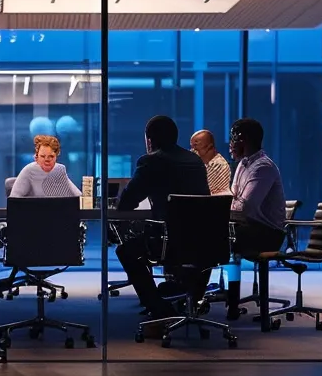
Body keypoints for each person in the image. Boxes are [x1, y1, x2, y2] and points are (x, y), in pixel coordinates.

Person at [115, 116, 210, 318]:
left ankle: (158, 309)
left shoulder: (150, 161)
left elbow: (126, 203)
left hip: (167, 241)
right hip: (201, 239)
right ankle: (180, 297)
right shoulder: (196, 161)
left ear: (149, 140)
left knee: (125, 251)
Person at [227, 118, 287, 261]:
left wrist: (219, 206)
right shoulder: (243, 164)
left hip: (267, 234)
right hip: (249, 228)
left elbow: (245, 208)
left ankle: (196, 281)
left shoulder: (262, 167)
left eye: (233, 139)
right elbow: (233, 197)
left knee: (209, 233)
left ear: (244, 139)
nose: (230, 144)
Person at [9, 134, 80, 198]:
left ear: (56, 157)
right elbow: (14, 200)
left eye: (51, 156)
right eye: (43, 156)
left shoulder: (59, 169)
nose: (47, 160)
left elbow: (78, 196)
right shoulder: (29, 170)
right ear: (36, 157)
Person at [191, 129, 234, 196]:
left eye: (196, 145)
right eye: (192, 146)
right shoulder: (203, 164)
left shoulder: (218, 165)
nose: (192, 150)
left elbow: (206, 193)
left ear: (209, 146)